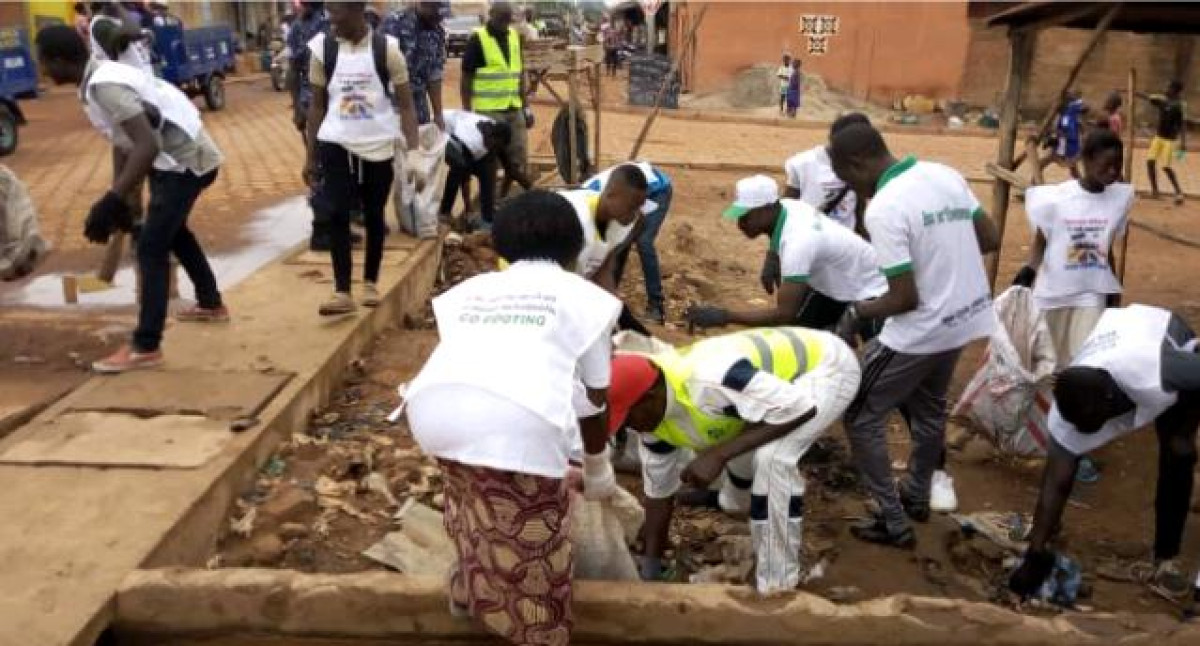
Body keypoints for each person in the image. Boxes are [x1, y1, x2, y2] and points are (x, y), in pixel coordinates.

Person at [405, 190, 621, 646]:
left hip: (433, 411)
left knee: (474, 508)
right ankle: (536, 632)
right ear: (576, 248)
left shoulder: (468, 292)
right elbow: (594, 398)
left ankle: (470, 592)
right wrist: (596, 466)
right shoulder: (589, 300)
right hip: (515, 423)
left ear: (500, 247)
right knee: (533, 548)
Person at [830, 124, 1000, 547]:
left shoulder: (885, 208)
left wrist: (856, 312)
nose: (854, 193)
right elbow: (989, 236)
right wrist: (943, 260)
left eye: (850, 182)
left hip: (919, 332)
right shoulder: (943, 174)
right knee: (928, 412)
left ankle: (893, 519)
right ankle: (918, 495)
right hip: (963, 319)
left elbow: (903, 298)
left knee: (859, 413)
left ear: (857, 164)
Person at [607, 327, 861, 592]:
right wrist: (651, 562)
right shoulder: (653, 421)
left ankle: (777, 584)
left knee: (773, 458)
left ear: (650, 397)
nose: (630, 428)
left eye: (628, 418)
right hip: (774, 393)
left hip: (826, 367)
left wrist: (718, 455)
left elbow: (799, 408)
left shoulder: (710, 380)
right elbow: (658, 492)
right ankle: (731, 501)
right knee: (736, 435)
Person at [37, 25, 227, 373]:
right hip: (180, 160)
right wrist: (121, 199)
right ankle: (211, 303)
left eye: (44, 63)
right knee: (174, 231)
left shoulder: (104, 85)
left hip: (184, 163)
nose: (43, 71)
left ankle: (145, 346)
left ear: (60, 60)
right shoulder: (98, 80)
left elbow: (146, 144)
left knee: (152, 248)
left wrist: (110, 199)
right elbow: (123, 141)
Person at [1008, 305, 1200, 601]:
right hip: (1119, 340)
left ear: (1109, 402)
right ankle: (1046, 540)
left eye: (1090, 424)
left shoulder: (1159, 371)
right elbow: (1055, 483)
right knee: (1063, 465)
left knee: (1179, 449)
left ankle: (1165, 559)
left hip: (1162, 335)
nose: (1084, 433)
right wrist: (1036, 554)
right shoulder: (1068, 410)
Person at [303, 1, 420, 316]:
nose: (331, 21)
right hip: (335, 141)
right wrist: (310, 156)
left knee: (373, 214)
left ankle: (370, 282)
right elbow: (316, 106)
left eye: (336, 14)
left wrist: (414, 153)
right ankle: (342, 291)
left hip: (378, 142)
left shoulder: (387, 50)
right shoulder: (322, 50)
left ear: (356, 12)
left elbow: (406, 106)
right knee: (337, 213)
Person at [686, 175, 886, 335]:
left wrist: (724, 316)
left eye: (745, 215)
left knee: (875, 368)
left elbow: (784, 314)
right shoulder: (788, 206)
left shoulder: (798, 242)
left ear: (766, 209)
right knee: (798, 338)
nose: (740, 223)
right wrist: (772, 256)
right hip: (837, 284)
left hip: (874, 291)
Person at [1014, 130, 1132, 368]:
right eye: (1106, 165)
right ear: (1087, 160)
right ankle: (1046, 406)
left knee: (1085, 363)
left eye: (1117, 166)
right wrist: (1029, 269)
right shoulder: (1057, 198)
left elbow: (1105, 248)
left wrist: (1112, 287)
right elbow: (1041, 239)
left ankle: (1069, 405)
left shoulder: (1119, 200)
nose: (1113, 172)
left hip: (1092, 293)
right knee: (1045, 364)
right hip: (1052, 293)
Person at [583, 162, 672, 324]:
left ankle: (656, 306)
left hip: (658, 190)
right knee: (618, 243)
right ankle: (607, 298)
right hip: (631, 192)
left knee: (643, 242)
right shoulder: (588, 202)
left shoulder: (595, 198)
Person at [461, 1, 531, 196]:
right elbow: (466, 77)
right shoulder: (478, 40)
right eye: (501, 19)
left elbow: (519, 74)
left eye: (508, 20)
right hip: (489, 110)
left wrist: (526, 107)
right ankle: (489, 202)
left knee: (517, 156)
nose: (504, 24)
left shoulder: (514, 37)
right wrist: (467, 113)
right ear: (491, 15)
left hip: (513, 108)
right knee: (491, 161)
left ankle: (503, 195)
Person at [286, 2, 333, 251]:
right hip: (314, 104)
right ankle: (321, 229)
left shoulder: (335, 17)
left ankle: (335, 225)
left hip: (336, 104)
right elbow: (292, 71)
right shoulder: (298, 27)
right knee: (318, 163)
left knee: (336, 166)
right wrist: (296, 108)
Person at [438, 108, 532, 227]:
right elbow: (464, 176)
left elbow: (509, 168)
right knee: (459, 167)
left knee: (489, 167)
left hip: (460, 129)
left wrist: (531, 188)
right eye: (494, 144)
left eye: (498, 147)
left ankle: (487, 215)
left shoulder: (496, 134)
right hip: (440, 128)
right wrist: (468, 207)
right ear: (491, 137)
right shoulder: (473, 141)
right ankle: (445, 211)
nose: (495, 148)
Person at [381, 1, 448, 129]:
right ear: (423, 5)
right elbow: (379, 65)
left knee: (421, 146)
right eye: (436, 13)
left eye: (442, 15)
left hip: (419, 108)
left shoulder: (437, 31)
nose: (439, 18)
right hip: (391, 106)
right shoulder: (394, 24)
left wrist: (438, 115)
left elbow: (434, 75)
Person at [1139, 80, 1188, 205]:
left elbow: (1182, 124)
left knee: (1166, 167)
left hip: (1169, 140)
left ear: (1175, 90)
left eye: (1168, 88)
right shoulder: (1162, 100)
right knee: (1150, 162)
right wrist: (1131, 91)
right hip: (1158, 138)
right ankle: (1155, 191)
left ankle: (1178, 191)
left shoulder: (1179, 105)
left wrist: (1183, 142)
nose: (1166, 89)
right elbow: (1147, 97)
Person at [1040, 89, 1086, 180]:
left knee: (1072, 167)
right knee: (1043, 163)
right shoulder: (1063, 115)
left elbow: (1066, 130)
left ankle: (1081, 184)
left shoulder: (1069, 115)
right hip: (1060, 146)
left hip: (1065, 147)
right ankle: (1034, 183)